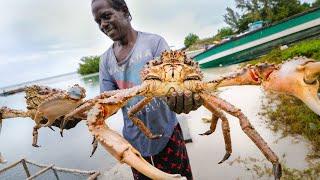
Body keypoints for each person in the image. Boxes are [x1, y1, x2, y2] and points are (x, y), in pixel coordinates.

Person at [91, 0, 201, 179]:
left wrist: (185, 98)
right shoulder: (105, 61)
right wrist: (76, 114)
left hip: (168, 134)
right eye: (98, 21)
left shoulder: (154, 43)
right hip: (134, 145)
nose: (103, 24)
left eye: (106, 16)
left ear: (124, 11)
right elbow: (106, 104)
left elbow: (176, 84)